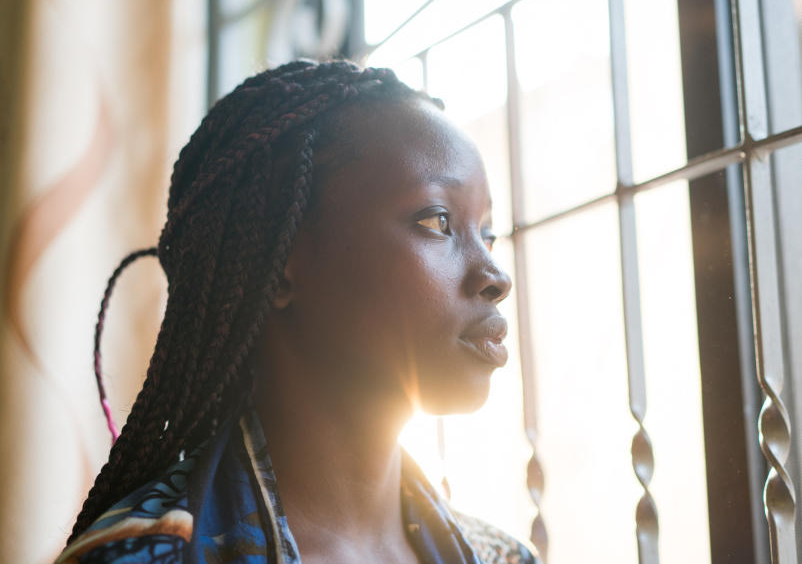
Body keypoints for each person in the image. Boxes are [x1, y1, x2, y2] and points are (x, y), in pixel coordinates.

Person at [57, 60, 541, 564]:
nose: (495, 276)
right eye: (438, 220)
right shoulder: (136, 557)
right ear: (283, 262)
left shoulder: (504, 558)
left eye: (486, 233)